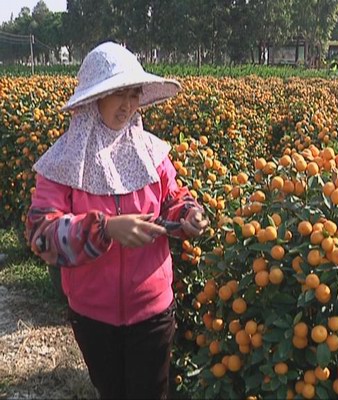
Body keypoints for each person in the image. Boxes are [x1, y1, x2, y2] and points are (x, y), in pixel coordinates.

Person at [25, 41, 209, 399]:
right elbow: (41, 233)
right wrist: (105, 229)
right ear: (94, 99)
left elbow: (173, 197)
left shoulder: (149, 152)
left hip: (153, 310)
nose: (127, 105)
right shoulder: (64, 162)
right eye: (117, 94)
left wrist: (189, 213)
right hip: (92, 314)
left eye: (133, 93)